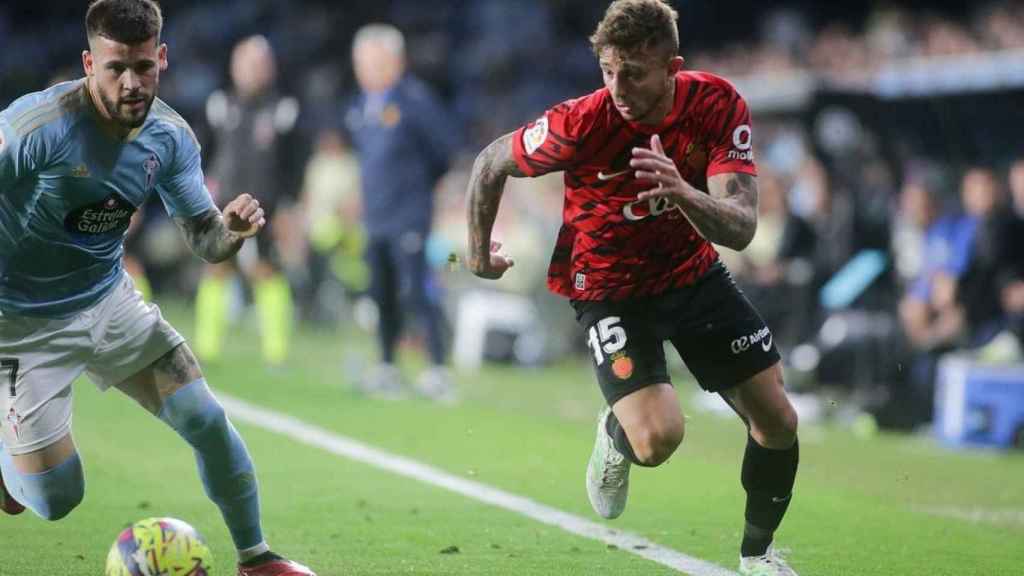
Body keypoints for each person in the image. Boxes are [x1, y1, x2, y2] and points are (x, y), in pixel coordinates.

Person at [464, 1, 800, 574]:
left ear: (673, 66)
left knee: (778, 421)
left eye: (634, 73)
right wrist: (476, 253)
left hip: (692, 276)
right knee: (658, 440)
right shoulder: (581, 122)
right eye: (607, 70)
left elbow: (741, 228)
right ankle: (617, 433)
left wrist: (683, 192)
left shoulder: (717, 104)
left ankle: (757, 557)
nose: (617, 86)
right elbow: (492, 161)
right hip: (608, 288)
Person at [0, 2, 314, 575]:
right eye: (115, 67)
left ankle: (257, 558)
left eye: (143, 67)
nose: (131, 82)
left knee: (206, 419)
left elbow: (205, 239)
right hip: (20, 325)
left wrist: (232, 232)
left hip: (107, 299)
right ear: (89, 62)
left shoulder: (169, 136)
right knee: (54, 500)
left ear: (162, 57)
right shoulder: (36, 127)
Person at [346, 24, 460, 401]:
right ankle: (387, 365)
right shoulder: (361, 106)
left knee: (416, 290)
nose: (365, 69)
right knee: (382, 293)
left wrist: (417, 189)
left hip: (408, 213)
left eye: (373, 61)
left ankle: (437, 368)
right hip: (376, 216)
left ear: (395, 61)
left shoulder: (415, 100)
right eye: (362, 62)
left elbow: (445, 151)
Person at [194, 35, 303, 367]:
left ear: (270, 69)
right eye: (246, 64)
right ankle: (206, 349)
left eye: (259, 65)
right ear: (234, 68)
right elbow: (201, 154)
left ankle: (277, 353)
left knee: (266, 271)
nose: (252, 72)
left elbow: (295, 164)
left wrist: (290, 207)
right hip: (222, 204)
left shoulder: (284, 110)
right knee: (216, 269)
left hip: (263, 207)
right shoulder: (219, 105)